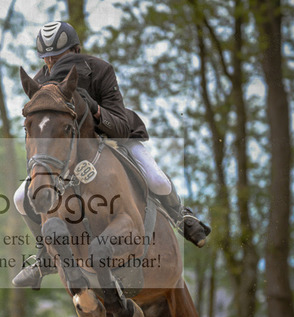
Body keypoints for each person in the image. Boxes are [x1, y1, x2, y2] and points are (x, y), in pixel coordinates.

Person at [12, 21, 211, 289]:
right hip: (68, 152)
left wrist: (94, 109)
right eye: (46, 57)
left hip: (116, 138)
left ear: (76, 50)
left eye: (57, 55)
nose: (51, 62)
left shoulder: (100, 70)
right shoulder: (40, 82)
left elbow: (120, 125)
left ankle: (182, 217)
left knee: (157, 180)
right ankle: (44, 255)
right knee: (21, 197)